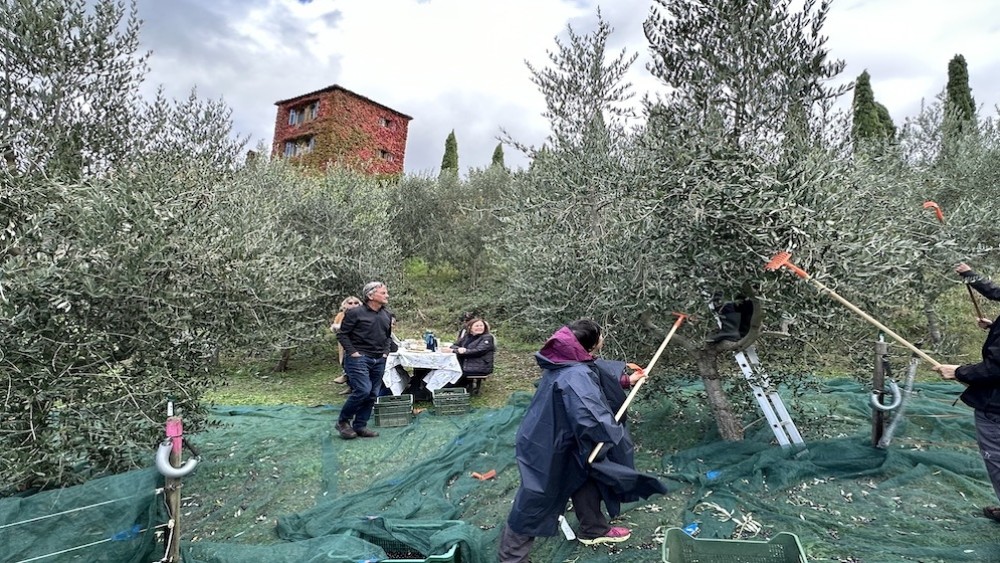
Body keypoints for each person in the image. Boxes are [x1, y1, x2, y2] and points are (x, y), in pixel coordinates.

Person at [497, 319, 667, 562]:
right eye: (601, 335)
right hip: (550, 443)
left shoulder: (569, 358)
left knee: (585, 476)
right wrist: (611, 434)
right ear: (592, 342)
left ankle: (593, 528)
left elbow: (595, 376)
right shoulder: (575, 374)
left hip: (565, 435)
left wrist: (625, 381)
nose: (603, 338)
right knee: (535, 498)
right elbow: (590, 415)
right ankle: (512, 558)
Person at [934, 262, 1000, 522]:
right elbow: (995, 292)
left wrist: (958, 372)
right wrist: (969, 275)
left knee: (996, 459)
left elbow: (996, 368)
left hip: (996, 407)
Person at [335, 282, 393, 440]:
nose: (387, 295)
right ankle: (342, 422)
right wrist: (353, 352)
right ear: (370, 295)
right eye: (383, 292)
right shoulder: (355, 313)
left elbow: (387, 336)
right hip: (359, 358)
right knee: (363, 390)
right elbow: (342, 334)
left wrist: (385, 353)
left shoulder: (386, 314)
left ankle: (360, 426)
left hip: (379, 359)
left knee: (373, 394)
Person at [444, 317, 495, 395]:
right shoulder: (467, 336)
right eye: (476, 326)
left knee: (453, 372)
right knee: (445, 369)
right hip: (466, 362)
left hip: (479, 365)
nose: (479, 328)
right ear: (470, 327)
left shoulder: (487, 337)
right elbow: (454, 345)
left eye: (481, 326)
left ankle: (449, 390)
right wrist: (459, 349)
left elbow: (479, 351)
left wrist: (458, 351)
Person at [331, 296, 362, 394]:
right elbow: (333, 328)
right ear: (344, 305)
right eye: (350, 303)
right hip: (344, 344)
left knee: (357, 366)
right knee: (345, 363)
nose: (353, 305)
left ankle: (350, 380)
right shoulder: (341, 315)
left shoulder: (363, 315)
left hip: (359, 345)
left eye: (356, 303)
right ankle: (350, 385)